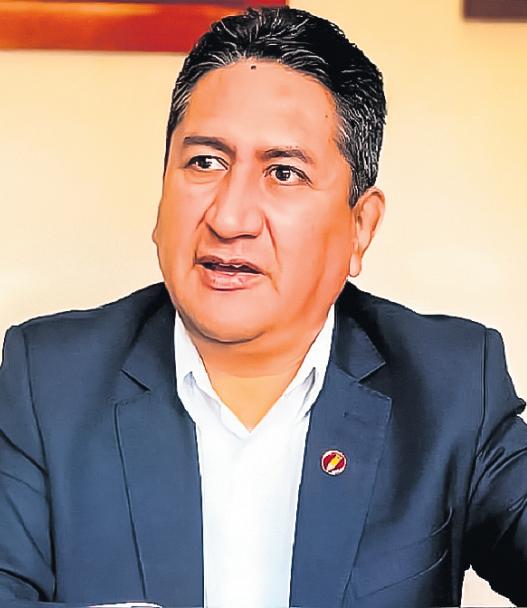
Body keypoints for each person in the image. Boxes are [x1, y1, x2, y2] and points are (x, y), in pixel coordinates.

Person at [0, 5, 526, 608]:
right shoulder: (49, 381)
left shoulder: (449, 387)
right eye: (205, 162)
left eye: (283, 172)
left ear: (360, 227)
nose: (229, 218)